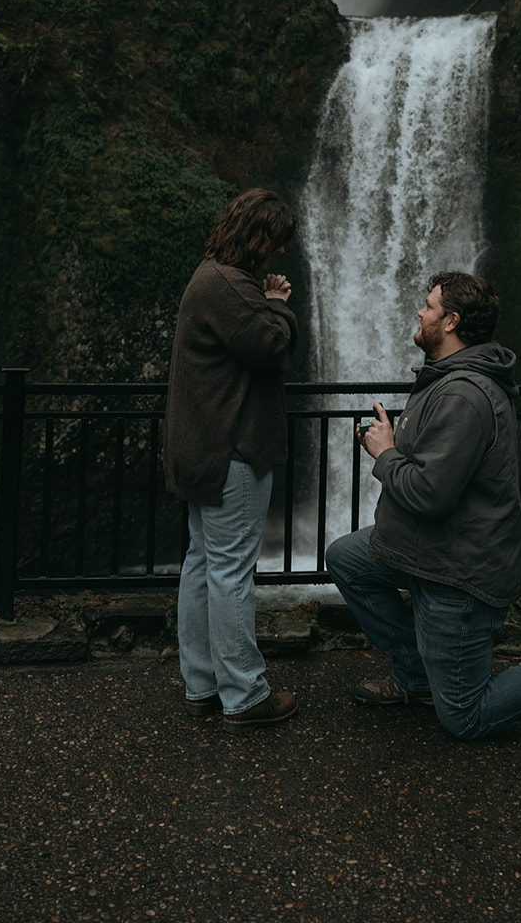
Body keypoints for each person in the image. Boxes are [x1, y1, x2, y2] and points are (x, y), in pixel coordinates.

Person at [325, 270, 521, 741]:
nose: (419, 312)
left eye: (428, 306)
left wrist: (384, 453)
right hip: (428, 547)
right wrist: (393, 440)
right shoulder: (445, 379)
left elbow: (430, 493)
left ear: (451, 321)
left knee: (465, 717)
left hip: (458, 568)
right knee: (347, 558)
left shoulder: (465, 394)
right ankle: (416, 673)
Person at [163, 188, 300, 729]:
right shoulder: (228, 285)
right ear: (260, 236)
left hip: (203, 446)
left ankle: (202, 684)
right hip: (231, 451)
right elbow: (270, 345)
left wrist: (263, 301)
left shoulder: (214, 277)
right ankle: (243, 694)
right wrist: (279, 306)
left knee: (202, 564)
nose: (280, 253)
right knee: (230, 570)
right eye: (277, 242)